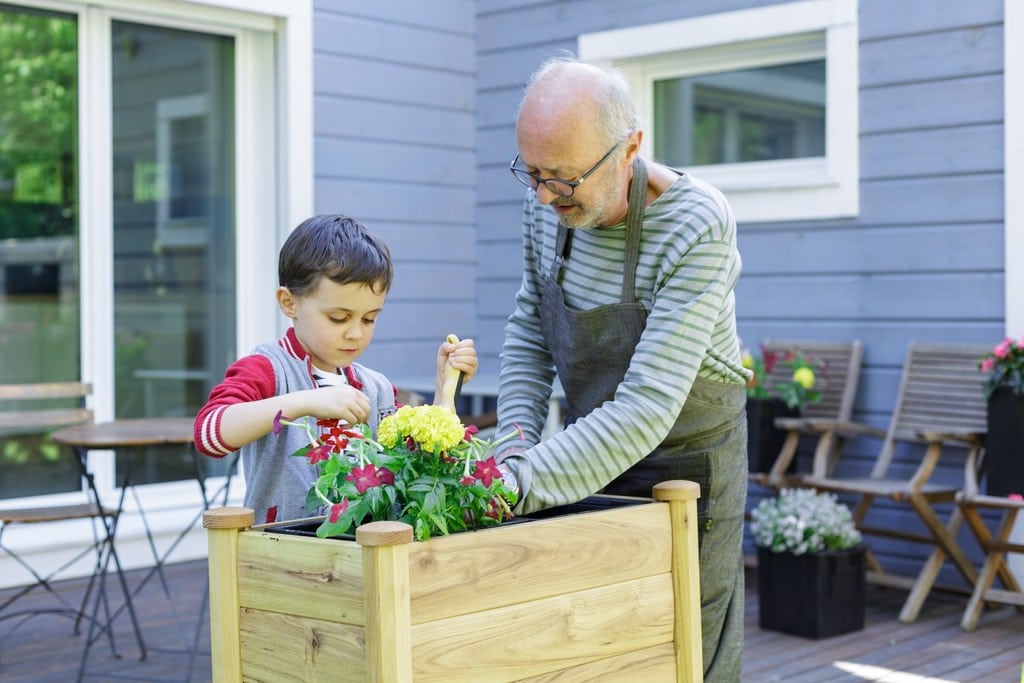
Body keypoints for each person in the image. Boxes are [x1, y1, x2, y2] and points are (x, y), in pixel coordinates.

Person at [493, 55, 750, 681]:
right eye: (533, 174)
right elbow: (531, 331)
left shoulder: (696, 224)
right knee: (599, 645)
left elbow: (645, 407)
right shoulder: (545, 204)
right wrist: (511, 450)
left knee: (685, 649)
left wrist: (516, 485)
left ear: (630, 147)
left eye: (563, 178)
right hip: (588, 460)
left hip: (687, 473)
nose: (546, 195)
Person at [194, 214, 478, 525]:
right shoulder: (268, 368)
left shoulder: (377, 388)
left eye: (369, 319)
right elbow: (210, 434)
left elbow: (415, 465)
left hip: (358, 552)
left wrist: (445, 390)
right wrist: (304, 402)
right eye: (339, 318)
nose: (355, 333)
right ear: (289, 303)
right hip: (282, 553)